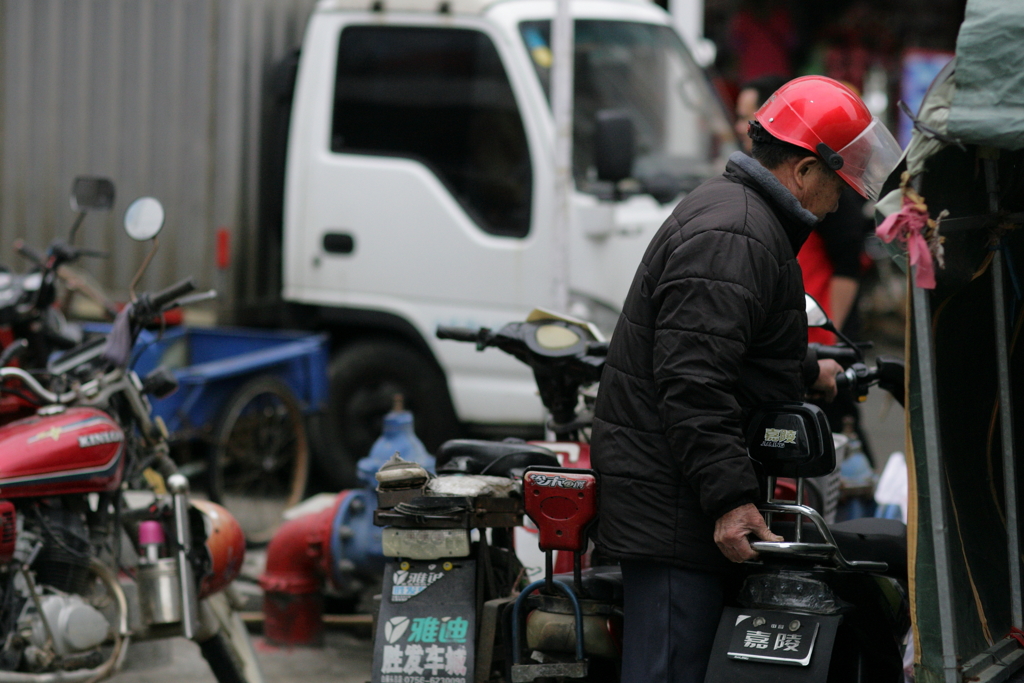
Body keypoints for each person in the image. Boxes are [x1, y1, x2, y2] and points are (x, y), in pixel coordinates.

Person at [590, 76, 901, 683]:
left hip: (679, 502)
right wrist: (733, 501)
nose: (841, 202)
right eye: (839, 184)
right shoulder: (736, 233)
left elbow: (728, 347)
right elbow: (694, 382)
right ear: (806, 170)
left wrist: (807, 370)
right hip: (674, 514)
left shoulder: (743, 218)